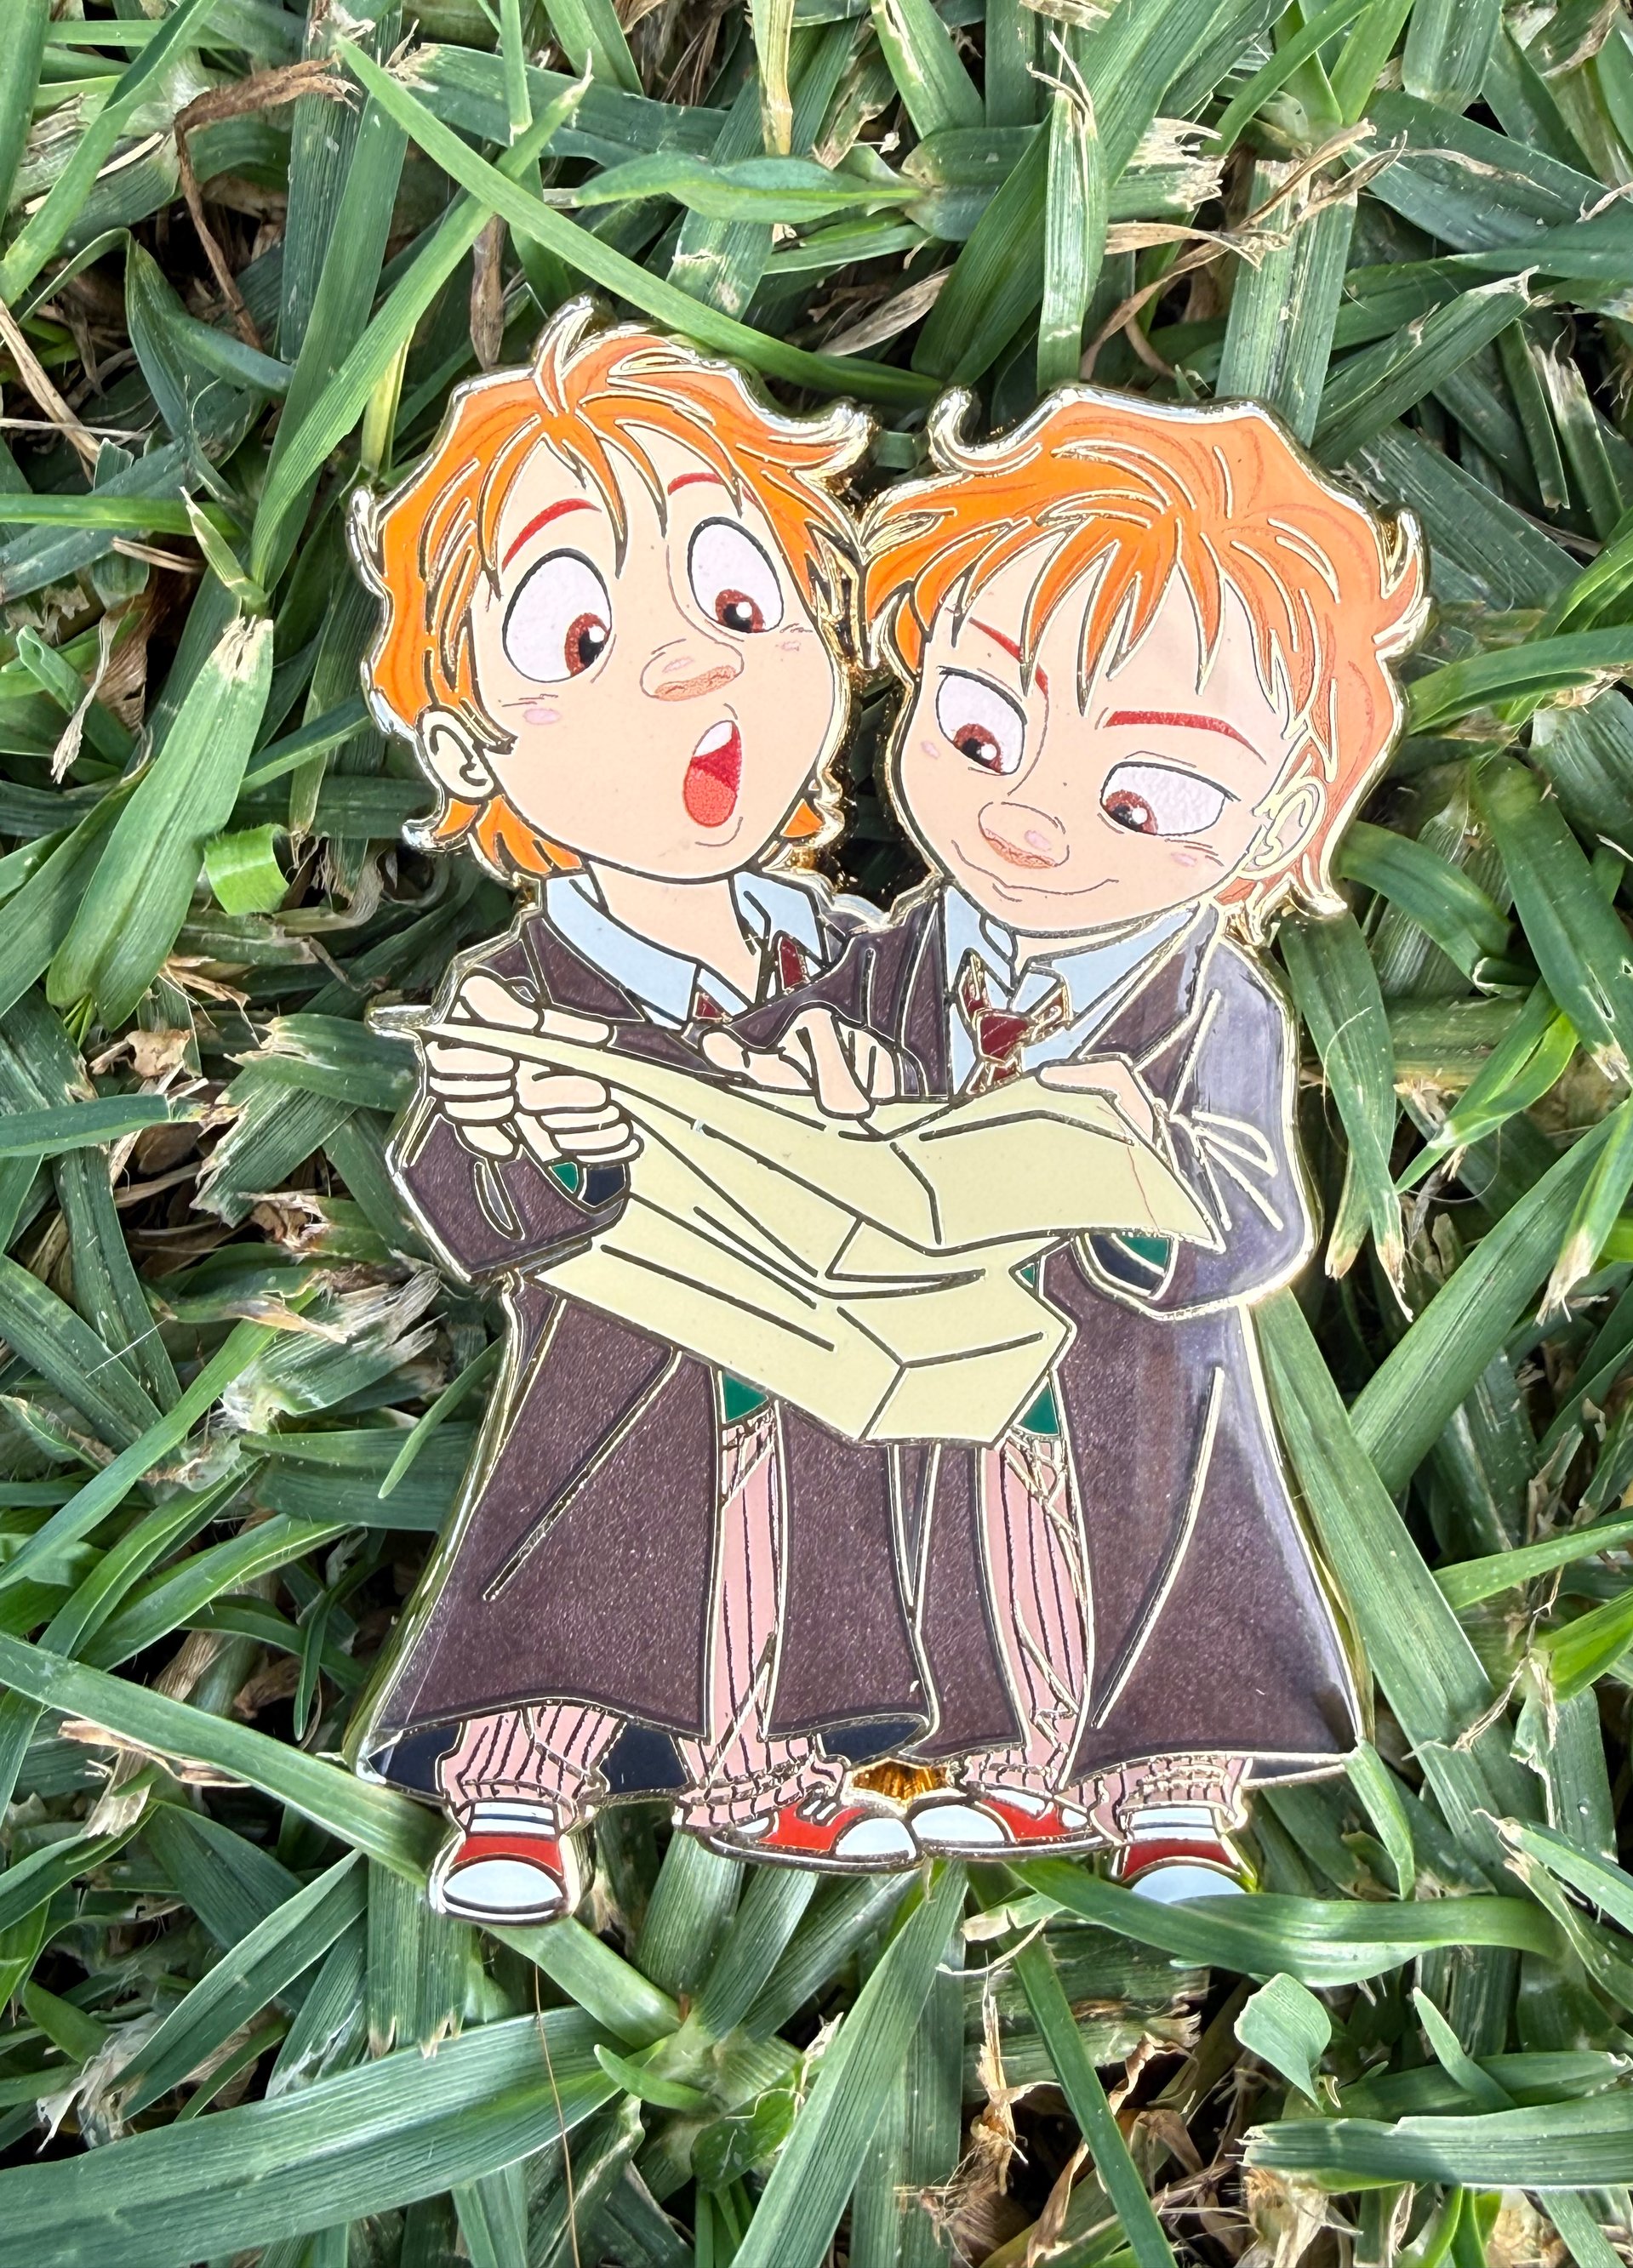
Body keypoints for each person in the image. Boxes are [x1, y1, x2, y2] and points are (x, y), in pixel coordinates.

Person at [710, 385, 1425, 1897]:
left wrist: (1124, 1175)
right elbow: (802, 1066)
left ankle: (1167, 1802)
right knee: (961, 1586)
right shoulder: (901, 953)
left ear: (1278, 812)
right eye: (980, 729)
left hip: (1129, 1384)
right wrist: (817, 1071)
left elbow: (1260, 1217)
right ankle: (983, 1767)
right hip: (940, 1365)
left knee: (1145, 1602)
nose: (1030, 817)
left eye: (1144, 797)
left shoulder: (1215, 1000)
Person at [349, 304, 928, 1923]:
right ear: (466, 743)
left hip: (814, 1365)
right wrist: (542, 1133)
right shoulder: (522, 983)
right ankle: (516, 1797)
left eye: (740, 601)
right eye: (580, 638)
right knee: (575, 1580)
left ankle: (770, 1771)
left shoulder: (850, 953)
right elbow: (459, 1197)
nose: (692, 666)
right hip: (617, 1372)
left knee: (784, 1574)